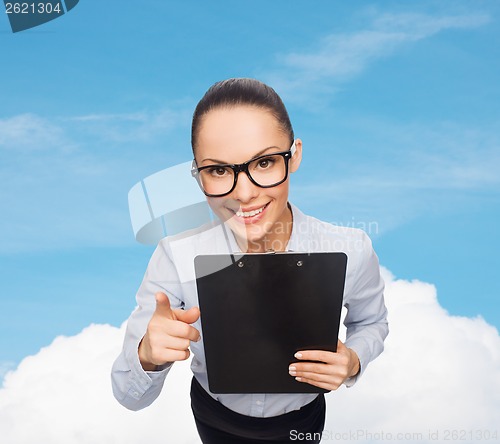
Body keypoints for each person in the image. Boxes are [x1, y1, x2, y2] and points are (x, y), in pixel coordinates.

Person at [111, 78, 389, 443]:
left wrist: (353, 361)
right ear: (197, 174)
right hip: (214, 416)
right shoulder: (176, 255)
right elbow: (129, 396)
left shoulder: (350, 247)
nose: (244, 194)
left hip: (301, 421)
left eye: (264, 162)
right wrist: (147, 355)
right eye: (219, 170)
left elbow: (372, 322)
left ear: (295, 155)